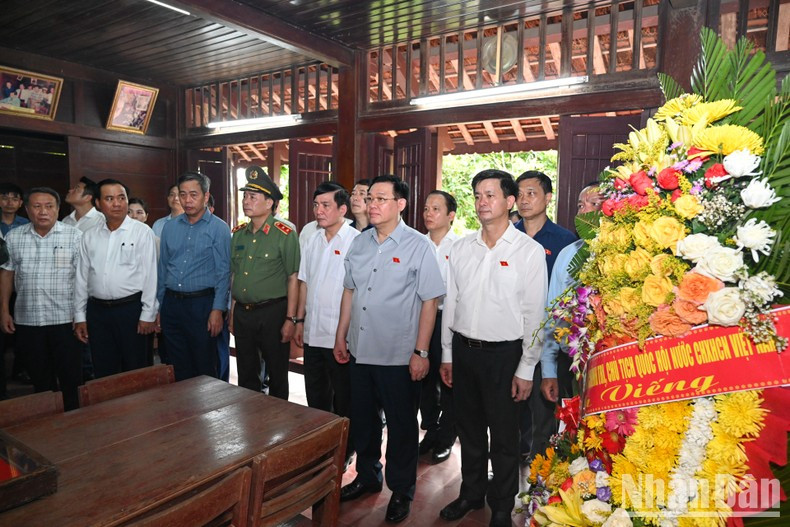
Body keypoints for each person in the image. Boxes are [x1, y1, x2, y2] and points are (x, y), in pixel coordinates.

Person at [439, 170, 547, 527]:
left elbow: (535, 314)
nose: (482, 202)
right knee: (467, 429)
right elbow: (451, 304)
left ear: (509, 201)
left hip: (505, 357)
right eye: (477, 195)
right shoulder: (461, 248)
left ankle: (502, 504)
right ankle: (471, 493)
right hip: (464, 351)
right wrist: (447, 355)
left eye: (490, 195)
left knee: (504, 436)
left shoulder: (528, 252)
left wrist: (526, 368)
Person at [335, 175, 444, 523]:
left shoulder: (418, 245)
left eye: (381, 199)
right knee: (364, 423)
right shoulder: (360, 243)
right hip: (360, 351)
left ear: (400, 204)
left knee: (401, 427)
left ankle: (401, 490)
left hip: (398, 356)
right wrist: (341, 337)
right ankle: (368, 478)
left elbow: (430, 301)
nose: (372, 205)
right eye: (370, 199)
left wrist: (421, 352)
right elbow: (349, 293)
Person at [512, 170, 577, 462]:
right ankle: (508, 462)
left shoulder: (565, 241)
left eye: (532, 193)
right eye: (520, 194)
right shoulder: (507, 236)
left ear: (548, 198)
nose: (524, 200)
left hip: (548, 337)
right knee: (509, 410)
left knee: (544, 412)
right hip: (511, 334)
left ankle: (540, 471)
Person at [0, 188, 83, 410]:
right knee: (39, 376)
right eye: (37, 207)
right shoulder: (14, 237)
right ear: (27, 210)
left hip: (65, 319)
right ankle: (46, 421)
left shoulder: (74, 236)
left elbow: (84, 278)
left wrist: (81, 315)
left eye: (49, 206)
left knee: (71, 376)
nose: (43, 212)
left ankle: (74, 419)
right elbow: (7, 274)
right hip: (28, 319)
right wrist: (4, 311)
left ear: (57, 209)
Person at [294, 181, 358, 466]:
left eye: (325, 206)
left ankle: (345, 450)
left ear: (343, 209)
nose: (318, 211)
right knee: (316, 396)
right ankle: (320, 448)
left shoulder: (357, 241)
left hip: (340, 337)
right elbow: (304, 283)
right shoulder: (311, 239)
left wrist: (342, 335)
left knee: (345, 399)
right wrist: (298, 321)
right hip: (312, 333)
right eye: (316, 205)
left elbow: (355, 292)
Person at [74, 180, 158, 378]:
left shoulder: (142, 232)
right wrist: (79, 316)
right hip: (98, 313)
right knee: (104, 369)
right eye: (109, 199)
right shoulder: (89, 236)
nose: (117, 204)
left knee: (136, 369)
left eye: (122, 198)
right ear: (97, 203)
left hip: (131, 310)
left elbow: (150, 275)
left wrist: (148, 314)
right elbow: (81, 277)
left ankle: (138, 410)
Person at [230, 166, 299, 398]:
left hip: (273, 312)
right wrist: (232, 311)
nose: (245, 201)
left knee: (278, 372)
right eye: (244, 196)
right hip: (243, 313)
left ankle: (280, 423)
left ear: (269, 203)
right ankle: (251, 422)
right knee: (246, 372)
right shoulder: (239, 234)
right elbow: (235, 275)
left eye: (252, 197)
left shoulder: (285, 233)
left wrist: (290, 318)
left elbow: (293, 277)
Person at [157, 172, 230, 381]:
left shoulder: (219, 228)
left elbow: (223, 272)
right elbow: (163, 268)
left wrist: (218, 309)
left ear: (206, 197)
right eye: (182, 195)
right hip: (172, 303)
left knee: (205, 366)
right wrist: (160, 306)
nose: (187, 200)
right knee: (177, 364)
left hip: (202, 305)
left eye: (193, 195)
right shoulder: (170, 227)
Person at [541, 183, 604, 404]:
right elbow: (552, 315)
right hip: (571, 364)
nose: (584, 210)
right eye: (580, 205)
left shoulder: (629, 256)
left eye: (594, 204)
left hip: (612, 362)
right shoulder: (568, 254)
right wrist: (548, 369)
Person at [418, 190, 459, 465]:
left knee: (448, 381)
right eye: (426, 208)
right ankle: (431, 430)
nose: (429, 213)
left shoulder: (460, 247)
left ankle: (446, 437)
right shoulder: (416, 244)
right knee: (423, 378)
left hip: (449, 319)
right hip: (421, 319)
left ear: (451, 215)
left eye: (436, 208)